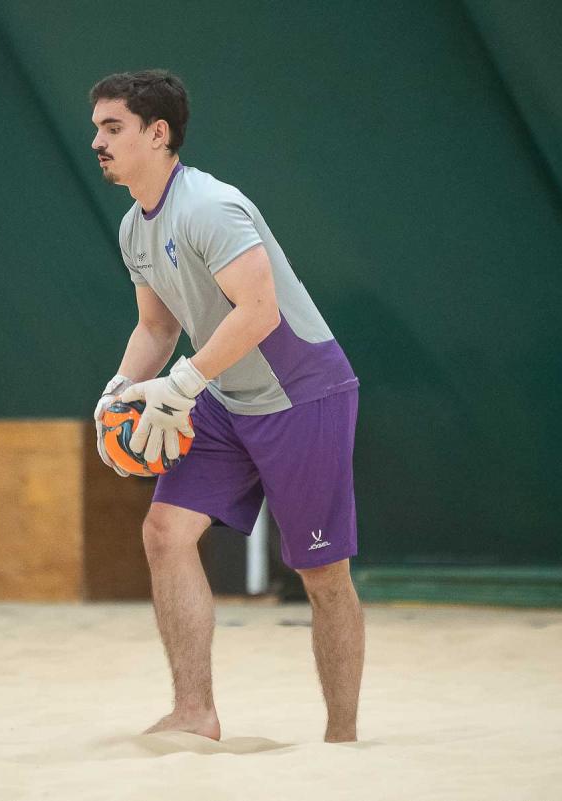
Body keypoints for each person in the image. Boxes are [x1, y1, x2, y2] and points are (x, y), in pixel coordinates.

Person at [89, 70, 365, 744]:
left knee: (322, 574)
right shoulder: (133, 228)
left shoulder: (209, 207)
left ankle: (342, 739)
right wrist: (115, 392)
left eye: (112, 127)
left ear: (158, 133)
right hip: (224, 393)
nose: (97, 141)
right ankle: (195, 711)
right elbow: (156, 327)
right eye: (97, 128)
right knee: (164, 533)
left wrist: (182, 385)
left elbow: (261, 311)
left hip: (303, 393)